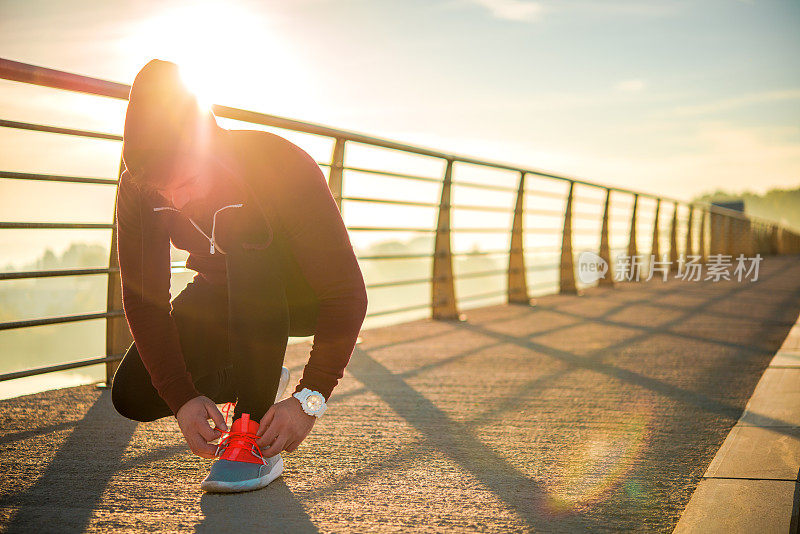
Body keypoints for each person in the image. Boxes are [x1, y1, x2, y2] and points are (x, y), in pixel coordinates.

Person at [110, 59, 369, 493]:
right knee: (134, 393)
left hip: (297, 296)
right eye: (164, 192)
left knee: (249, 256)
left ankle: (250, 436)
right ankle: (254, 377)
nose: (179, 200)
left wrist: (310, 399)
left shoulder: (276, 164)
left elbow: (346, 294)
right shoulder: (137, 186)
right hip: (221, 293)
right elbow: (144, 301)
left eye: (188, 181)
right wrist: (183, 400)